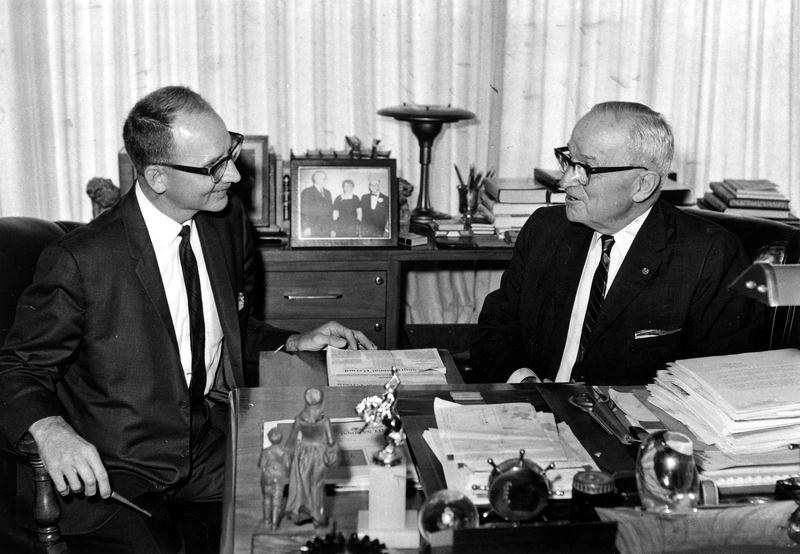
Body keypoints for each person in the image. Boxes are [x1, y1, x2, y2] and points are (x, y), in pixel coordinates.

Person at [0, 86, 375, 553]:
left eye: (231, 152)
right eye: (216, 166)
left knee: (325, 498)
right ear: (158, 177)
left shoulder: (223, 221)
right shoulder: (81, 261)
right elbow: (17, 368)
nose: (235, 175)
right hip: (115, 471)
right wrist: (51, 430)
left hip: (204, 448)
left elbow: (222, 331)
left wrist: (295, 341)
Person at [469, 101, 763, 385]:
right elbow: (496, 330)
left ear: (642, 185)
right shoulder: (546, 229)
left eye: (586, 168)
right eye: (568, 160)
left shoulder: (709, 256)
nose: (566, 181)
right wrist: (527, 384)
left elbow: (721, 381)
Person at [284, 388, 339, 528]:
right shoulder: (324, 421)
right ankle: (317, 515)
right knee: (317, 485)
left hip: (302, 454)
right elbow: (331, 441)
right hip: (319, 454)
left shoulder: (299, 419)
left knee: (303, 485)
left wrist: (287, 456)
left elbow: (290, 441)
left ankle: (301, 512)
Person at [258, 427, 291, 532]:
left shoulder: (266, 451)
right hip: (279, 478)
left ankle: (267, 521)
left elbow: (261, 464)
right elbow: (288, 465)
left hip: (267, 477)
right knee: (277, 501)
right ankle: (274, 525)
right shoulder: (285, 451)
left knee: (267, 499)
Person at [300, 171, 334, 237]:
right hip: (313, 228)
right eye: (324, 179)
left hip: (327, 228)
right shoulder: (307, 192)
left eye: (326, 179)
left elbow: (331, 212)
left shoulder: (328, 193)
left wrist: (332, 228)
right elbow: (304, 211)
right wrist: (306, 227)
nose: (326, 180)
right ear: (316, 179)